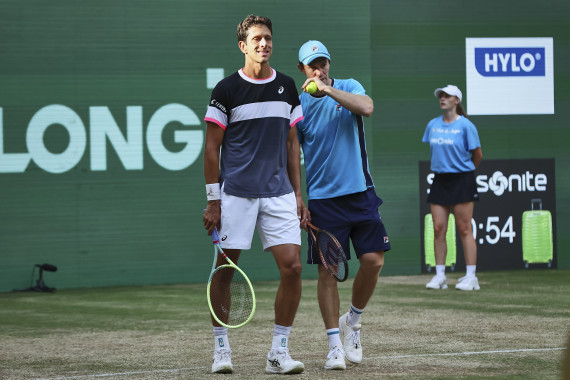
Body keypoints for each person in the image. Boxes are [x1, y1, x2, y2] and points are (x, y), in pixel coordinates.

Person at [202, 15, 309, 375]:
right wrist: (213, 200)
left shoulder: (289, 86)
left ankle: (278, 352)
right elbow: (210, 149)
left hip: (279, 193)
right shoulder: (225, 89)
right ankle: (221, 349)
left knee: (293, 268)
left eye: (267, 38)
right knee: (225, 271)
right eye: (256, 39)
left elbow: (293, 144)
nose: (263, 44)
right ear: (243, 46)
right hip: (236, 195)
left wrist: (298, 195)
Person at [295, 40, 391, 370]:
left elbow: (366, 107)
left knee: (374, 262)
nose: (318, 69)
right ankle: (335, 344)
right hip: (324, 202)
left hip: (361, 193)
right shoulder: (299, 105)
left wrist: (327, 89)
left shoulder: (348, 87)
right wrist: (299, 199)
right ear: (302, 70)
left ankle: (354, 321)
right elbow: (292, 155)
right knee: (328, 273)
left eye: (322, 63)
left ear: (329, 64)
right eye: (312, 66)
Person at [422, 84, 483, 291]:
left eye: (447, 96)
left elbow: (477, 155)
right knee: (439, 228)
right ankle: (440, 277)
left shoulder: (467, 126)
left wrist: (464, 172)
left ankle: (471, 277)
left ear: (457, 101)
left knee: (464, 228)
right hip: (440, 180)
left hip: (462, 180)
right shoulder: (432, 125)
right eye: (441, 96)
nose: (443, 99)